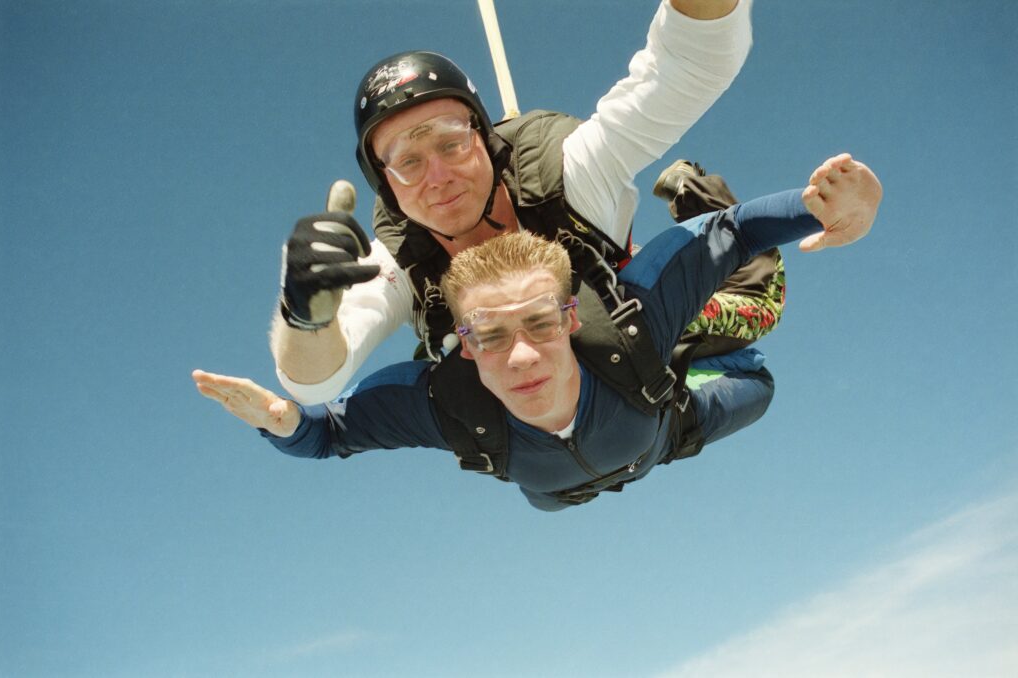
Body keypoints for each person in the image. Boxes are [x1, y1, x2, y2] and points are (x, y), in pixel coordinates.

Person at [194, 154, 882, 511]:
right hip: (554, 485)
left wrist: (822, 205)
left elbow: (737, 233)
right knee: (548, 499)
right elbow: (328, 435)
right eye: (489, 335)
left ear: (572, 315)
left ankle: (681, 349)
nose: (520, 355)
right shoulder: (444, 400)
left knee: (759, 380)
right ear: (462, 342)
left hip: (667, 425)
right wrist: (283, 420)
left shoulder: (630, 315)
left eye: (540, 323)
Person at [270, 0, 784, 406]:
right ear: (385, 183)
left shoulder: (570, 171)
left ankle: (694, 191)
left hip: (631, 305)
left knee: (759, 315)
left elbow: (689, 65)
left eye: (450, 143)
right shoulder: (399, 264)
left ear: (486, 139)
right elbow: (314, 383)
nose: (439, 177)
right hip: (572, 403)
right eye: (407, 162)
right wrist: (305, 316)